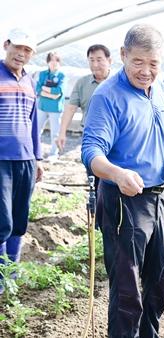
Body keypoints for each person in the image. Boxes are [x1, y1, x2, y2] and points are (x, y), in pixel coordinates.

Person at [81, 24, 164, 337]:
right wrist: (117, 173)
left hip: (157, 198)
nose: (145, 71)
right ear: (123, 55)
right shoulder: (108, 97)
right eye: (138, 62)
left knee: (160, 281)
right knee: (127, 294)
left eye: (153, 64)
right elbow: (91, 152)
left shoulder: (160, 87)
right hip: (124, 202)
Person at [0, 28, 44, 291]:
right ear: (6, 45)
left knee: (19, 217)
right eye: (18, 47)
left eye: (28, 50)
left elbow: (34, 121)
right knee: (1, 218)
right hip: (1, 159)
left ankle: (12, 273)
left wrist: (38, 157)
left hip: (25, 159)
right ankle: (1, 276)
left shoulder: (29, 81)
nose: (22, 54)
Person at [56, 44, 112, 153]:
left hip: (115, 134)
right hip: (91, 135)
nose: (95, 64)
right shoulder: (82, 83)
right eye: (91, 60)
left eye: (99, 60)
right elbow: (71, 108)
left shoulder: (119, 82)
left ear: (109, 60)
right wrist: (62, 133)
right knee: (93, 166)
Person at [36, 51, 65, 161]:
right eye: (51, 60)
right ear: (48, 62)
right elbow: (38, 89)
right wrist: (50, 93)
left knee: (55, 133)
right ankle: (35, 151)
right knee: (37, 131)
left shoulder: (62, 76)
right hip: (42, 107)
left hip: (55, 109)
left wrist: (44, 88)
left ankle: (54, 153)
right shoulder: (43, 74)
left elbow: (58, 92)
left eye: (56, 60)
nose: (54, 63)